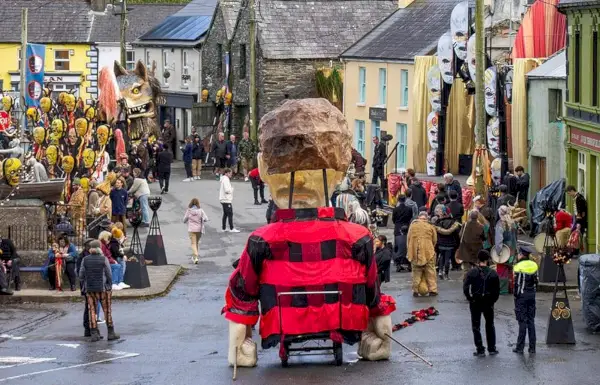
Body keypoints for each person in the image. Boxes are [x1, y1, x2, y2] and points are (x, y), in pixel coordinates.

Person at [79, 240, 120, 342]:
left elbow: (81, 275)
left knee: (91, 311)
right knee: (107, 310)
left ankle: (94, 333)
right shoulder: (103, 259)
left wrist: (85, 285)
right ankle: (110, 333)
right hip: (103, 289)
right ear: (99, 248)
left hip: (90, 289)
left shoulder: (85, 259)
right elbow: (109, 274)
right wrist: (109, 286)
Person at [463, 250, 500, 357]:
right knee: (490, 324)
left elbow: (466, 288)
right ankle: (492, 348)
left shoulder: (471, 272)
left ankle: (480, 349)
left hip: (476, 301)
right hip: (488, 302)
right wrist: (492, 301)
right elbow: (497, 291)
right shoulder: (493, 274)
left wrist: (470, 298)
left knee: (476, 326)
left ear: (478, 260)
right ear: (488, 260)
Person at [512, 246, 539, 354]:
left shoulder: (518, 267)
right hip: (532, 296)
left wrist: (516, 296)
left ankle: (520, 347)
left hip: (522, 297)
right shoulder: (534, 265)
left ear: (521, 255)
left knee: (522, 321)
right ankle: (532, 348)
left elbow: (517, 285)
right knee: (531, 321)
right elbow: (537, 281)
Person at [407, 212, 438, 297]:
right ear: (426, 218)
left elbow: (409, 239)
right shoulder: (430, 226)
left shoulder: (412, 226)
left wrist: (410, 250)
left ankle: (415, 290)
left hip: (415, 252)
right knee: (430, 271)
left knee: (416, 272)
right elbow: (434, 239)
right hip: (428, 252)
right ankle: (433, 290)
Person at [433, 205, 461, 280]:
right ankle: (446, 274)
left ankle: (440, 271)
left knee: (441, 256)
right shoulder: (453, 223)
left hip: (440, 243)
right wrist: (457, 244)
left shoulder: (438, 222)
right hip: (450, 243)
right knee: (447, 259)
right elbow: (456, 234)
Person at [495, 205, 518, 295]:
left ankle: (503, 289)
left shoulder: (500, 224)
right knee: (510, 269)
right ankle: (511, 287)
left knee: (502, 270)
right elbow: (516, 237)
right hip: (512, 248)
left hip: (504, 249)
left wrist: (498, 252)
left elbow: (499, 240)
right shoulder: (513, 223)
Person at [183, 198, 209, 264]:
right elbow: (206, 219)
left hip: (191, 229)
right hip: (199, 229)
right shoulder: (201, 211)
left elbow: (184, 220)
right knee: (196, 243)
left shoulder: (189, 211)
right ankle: (195, 257)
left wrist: (188, 220)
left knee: (193, 243)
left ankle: (195, 255)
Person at [219, 168, 239, 233]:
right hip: (226, 199)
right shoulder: (226, 180)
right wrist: (232, 189)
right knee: (230, 214)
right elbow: (227, 190)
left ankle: (224, 228)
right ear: (226, 173)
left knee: (225, 214)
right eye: (230, 173)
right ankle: (231, 228)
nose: (231, 175)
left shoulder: (224, 179)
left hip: (223, 199)